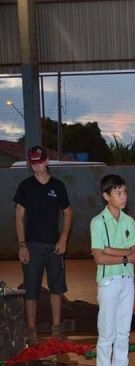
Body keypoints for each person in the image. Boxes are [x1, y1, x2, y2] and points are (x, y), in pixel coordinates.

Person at [14, 145, 72, 345]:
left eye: (40, 162)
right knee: (31, 291)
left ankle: (57, 331)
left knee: (57, 290)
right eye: (33, 163)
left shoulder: (58, 186)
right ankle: (31, 332)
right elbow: (19, 217)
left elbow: (67, 213)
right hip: (31, 247)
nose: (37, 166)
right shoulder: (25, 186)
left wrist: (63, 238)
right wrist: (22, 245)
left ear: (47, 161)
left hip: (54, 247)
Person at [90, 174, 135, 366]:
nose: (123, 196)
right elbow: (99, 258)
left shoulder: (129, 221)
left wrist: (111, 250)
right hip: (108, 282)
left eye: (124, 192)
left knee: (124, 331)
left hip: (127, 281)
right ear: (106, 196)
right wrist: (124, 256)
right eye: (118, 193)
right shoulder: (97, 222)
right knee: (107, 331)